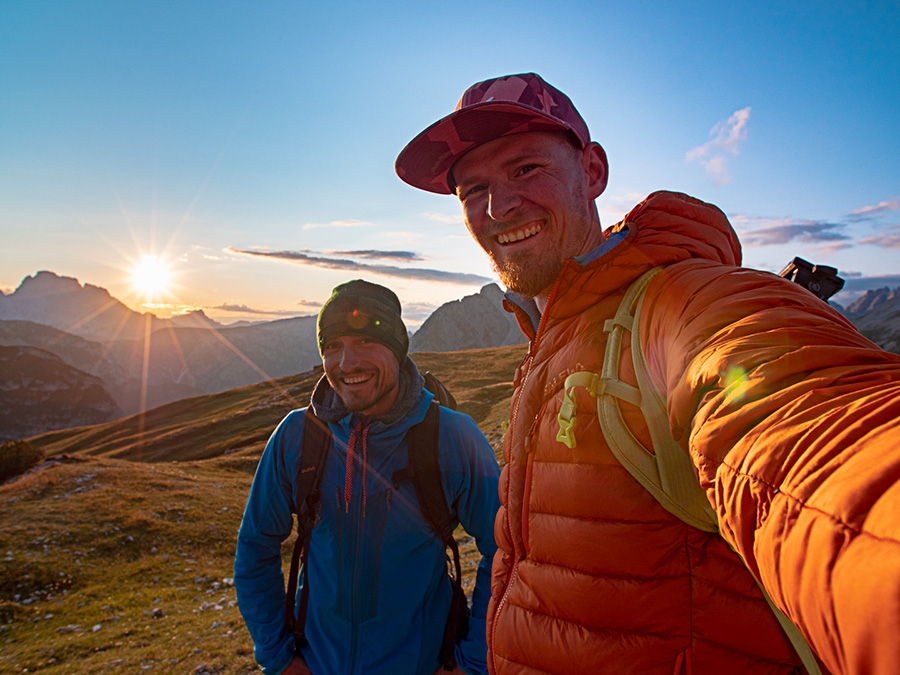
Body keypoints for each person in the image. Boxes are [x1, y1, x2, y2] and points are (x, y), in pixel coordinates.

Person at [395, 73, 900, 675]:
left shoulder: (683, 305)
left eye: (526, 169)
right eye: (473, 189)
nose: (498, 207)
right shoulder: (555, 331)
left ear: (594, 172)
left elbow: (813, 437)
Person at [234, 279, 501, 675]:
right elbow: (255, 547)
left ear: (397, 348)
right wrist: (278, 658)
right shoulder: (297, 436)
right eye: (333, 347)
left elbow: (505, 550)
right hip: (316, 663)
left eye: (364, 341)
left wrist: (472, 662)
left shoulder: (451, 436)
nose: (347, 363)